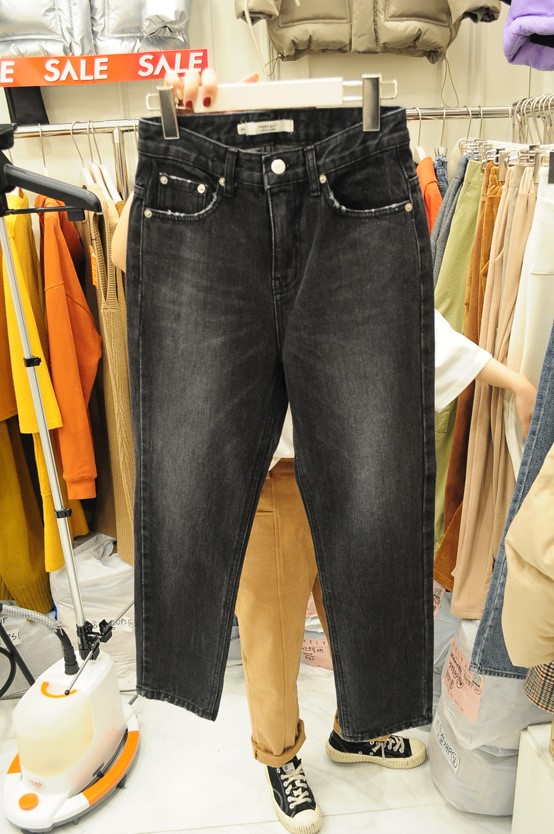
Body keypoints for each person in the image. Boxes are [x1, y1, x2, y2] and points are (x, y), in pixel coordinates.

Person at [112, 69, 537, 834]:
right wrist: (178, 149)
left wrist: (513, 381)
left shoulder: (365, 197)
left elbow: (406, 336)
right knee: (272, 628)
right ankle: (279, 758)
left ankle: (360, 725)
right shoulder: (183, 186)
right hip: (271, 480)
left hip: (354, 184)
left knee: (362, 575)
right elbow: (136, 262)